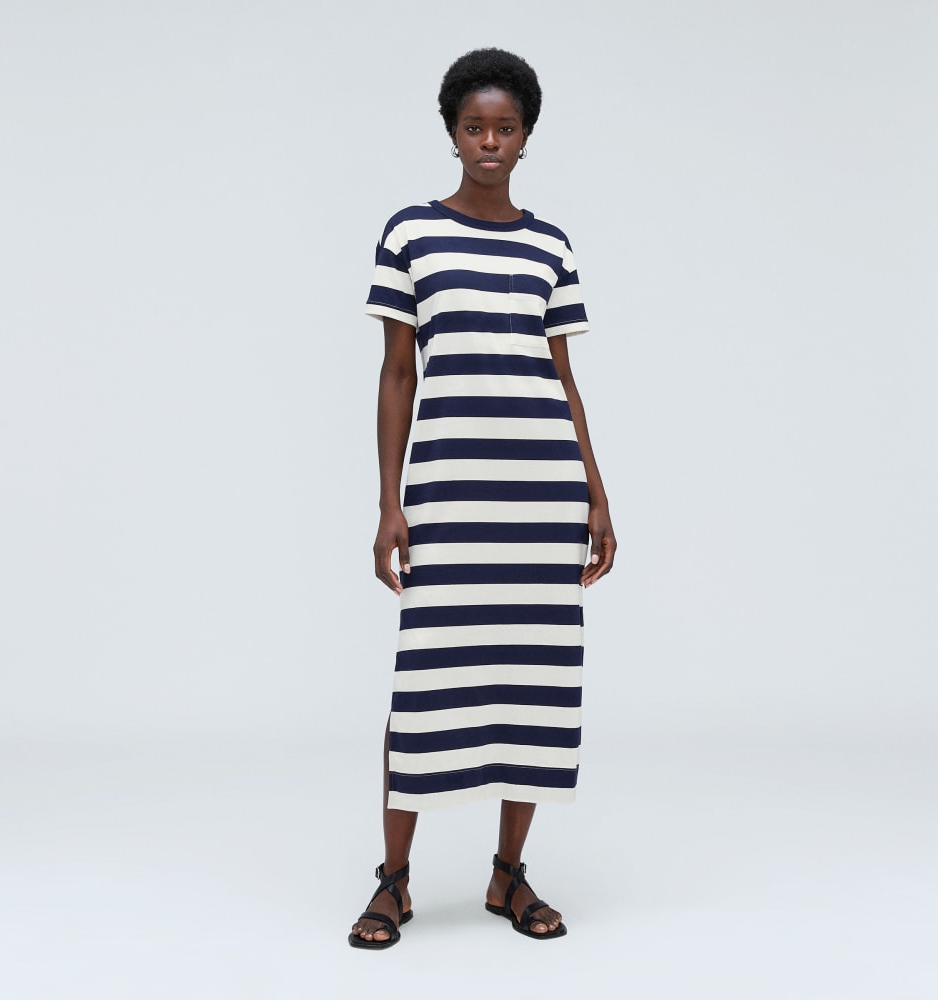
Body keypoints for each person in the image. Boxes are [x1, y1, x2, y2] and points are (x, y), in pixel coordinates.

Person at [350, 47, 616, 949]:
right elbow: (397, 374)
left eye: (506, 128)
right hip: (450, 495)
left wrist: (597, 496)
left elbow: (563, 378)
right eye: (475, 127)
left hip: (541, 497)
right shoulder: (410, 235)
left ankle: (509, 875)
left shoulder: (551, 246)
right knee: (425, 683)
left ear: (527, 136)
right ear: (453, 133)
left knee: (535, 684)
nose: (490, 142)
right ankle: (394, 882)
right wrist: (390, 505)